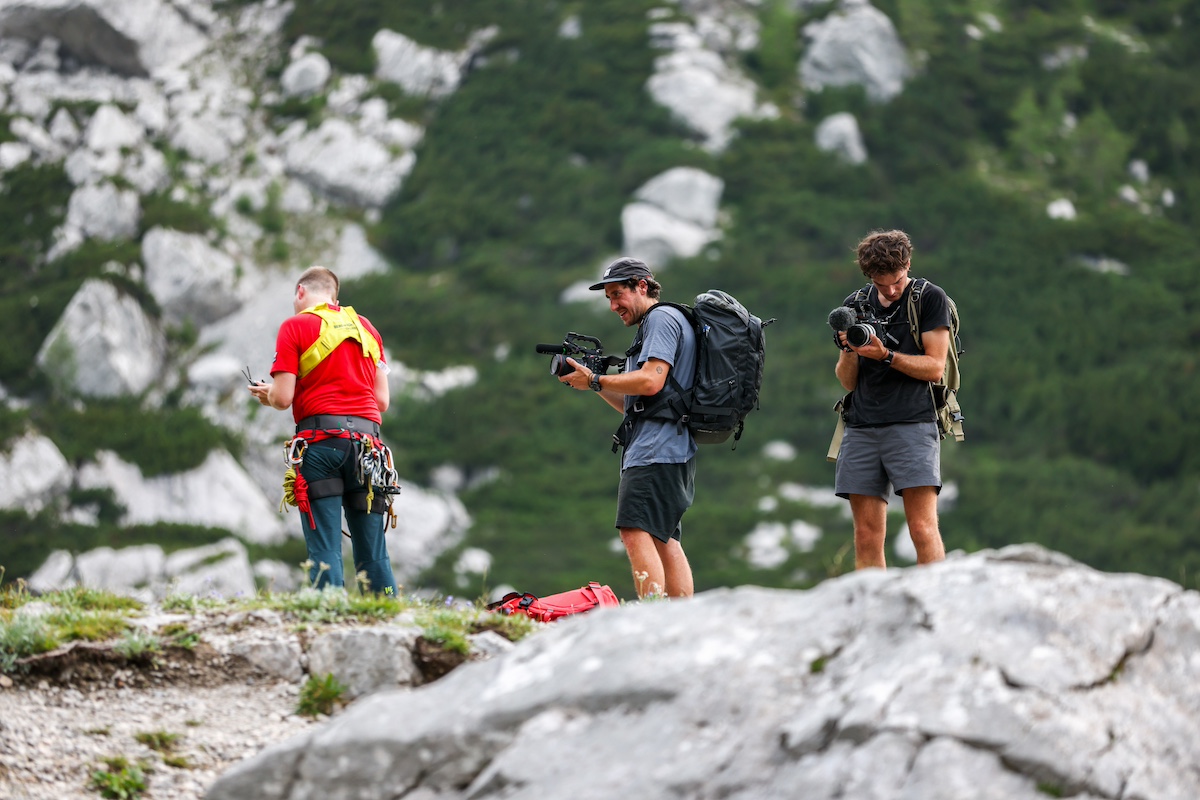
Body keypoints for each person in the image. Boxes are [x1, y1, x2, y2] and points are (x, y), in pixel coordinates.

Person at [249, 266, 399, 595]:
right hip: (368, 450)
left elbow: (284, 396)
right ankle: (389, 616)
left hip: (322, 445)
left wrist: (269, 396)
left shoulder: (295, 326)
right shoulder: (367, 329)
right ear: (335, 297)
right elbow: (382, 401)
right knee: (374, 555)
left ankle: (329, 615)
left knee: (326, 549)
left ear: (300, 292)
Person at [560, 257, 698, 599]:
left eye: (618, 294)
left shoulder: (661, 318)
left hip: (656, 448)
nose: (613, 305)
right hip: (670, 445)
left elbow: (651, 381)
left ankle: (651, 619)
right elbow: (635, 402)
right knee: (664, 537)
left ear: (642, 285)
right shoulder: (663, 321)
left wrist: (595, 377)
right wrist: (593, 384)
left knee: (635, 529)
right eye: (608, 298)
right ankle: (682, 622)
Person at [833, 230, 950, 570]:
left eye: (896, 282)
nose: (890, 291)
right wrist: (850, 351)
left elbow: (935, 368)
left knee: (922, 528)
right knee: (866, 535)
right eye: (881, 285)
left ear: (908, 265)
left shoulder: (928, 298)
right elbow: (848, 382)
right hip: (862, 426)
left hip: (912, 423)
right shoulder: (853, 305)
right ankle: (871, 616)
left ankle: (937, 607)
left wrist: (886, 355)